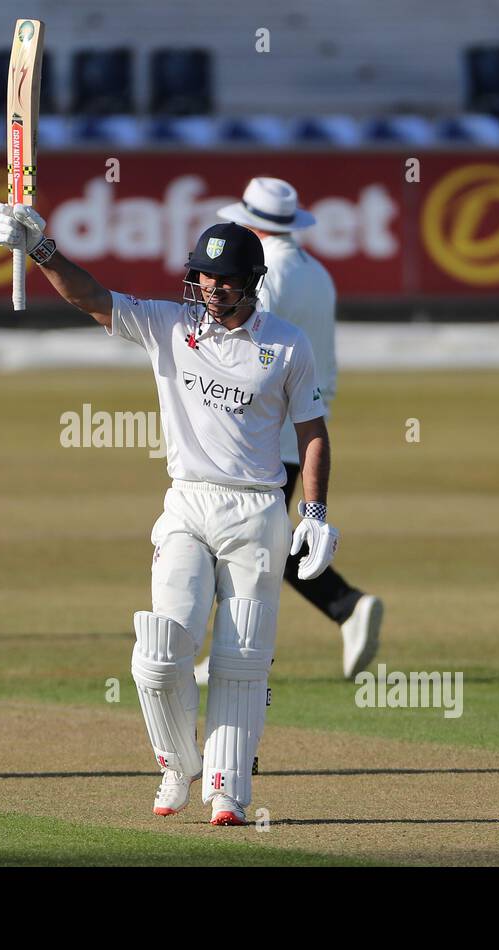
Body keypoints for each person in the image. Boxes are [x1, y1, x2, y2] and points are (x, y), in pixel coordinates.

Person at [0, 204, 338, 826]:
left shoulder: (287, 345)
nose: (209, 291)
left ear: (252, 282)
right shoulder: (170, 326)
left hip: (257, 510)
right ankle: (177, 764)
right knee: (160, 649)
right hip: (187, 500)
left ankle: (228, 787)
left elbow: (313, 431)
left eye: (223, 282)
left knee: (242, 659)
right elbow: (93, 298)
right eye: (202, 280)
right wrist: (41, 249)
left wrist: (313, 512)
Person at [215, 176, 384, 680]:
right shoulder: (318, 272)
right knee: (261, 537)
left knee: (243, 537)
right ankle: (344, 605)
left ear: (252, 225)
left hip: (268, 424)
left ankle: (344, 604)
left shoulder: (269, 277)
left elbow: (247, 345)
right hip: (305, 421)